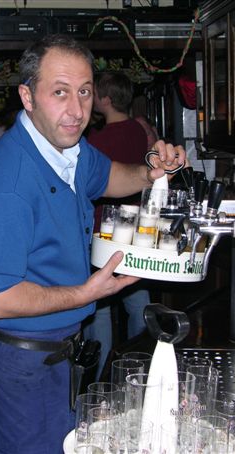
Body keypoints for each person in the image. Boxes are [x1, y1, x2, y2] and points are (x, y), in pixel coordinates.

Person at [0, 34, 186, 453]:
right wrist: (86, 293)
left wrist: (149, 173)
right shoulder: (8, 184)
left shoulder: (68, 150)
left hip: (62, 355)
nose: (78, 111)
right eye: (60, 92)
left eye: (84, 92)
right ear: (27, 96)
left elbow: (109, 177)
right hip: (19, 367)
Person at [84, 71, 152, 377]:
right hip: (137, 227)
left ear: (106, 100)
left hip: (105, 229)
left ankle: (99, 377)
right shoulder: (139, 130)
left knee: (100, 306)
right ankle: (138, 368)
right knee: (137, 300)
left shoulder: (97, 140)